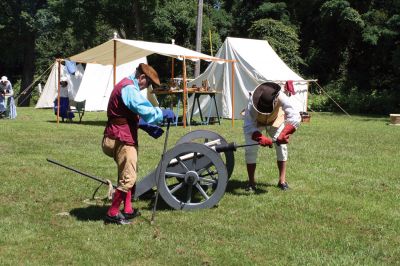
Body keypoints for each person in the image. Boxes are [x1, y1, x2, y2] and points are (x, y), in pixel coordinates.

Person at [102, 63, 175, 225]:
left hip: (118, 135)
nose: (146, 87)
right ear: (141, 77)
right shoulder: (129, 89)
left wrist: (146, 126)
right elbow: (143, 109)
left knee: (128, 174)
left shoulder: (125, 85)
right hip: (121, 137)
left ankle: (127, 210)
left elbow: (126, 113)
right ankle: (112, 213)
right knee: (129, 177)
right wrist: (162, 113)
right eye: (148, 83)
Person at [243, 82, 301, 192]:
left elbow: (295, 116)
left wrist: (284, 133)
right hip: (256, 123)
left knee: (282, 148)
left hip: (276, 120)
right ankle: (251, 182)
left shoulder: (281, 96)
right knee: (250, 149)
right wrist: (259, 137)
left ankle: (282, 181)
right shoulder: (251, 101)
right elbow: (248, 125)